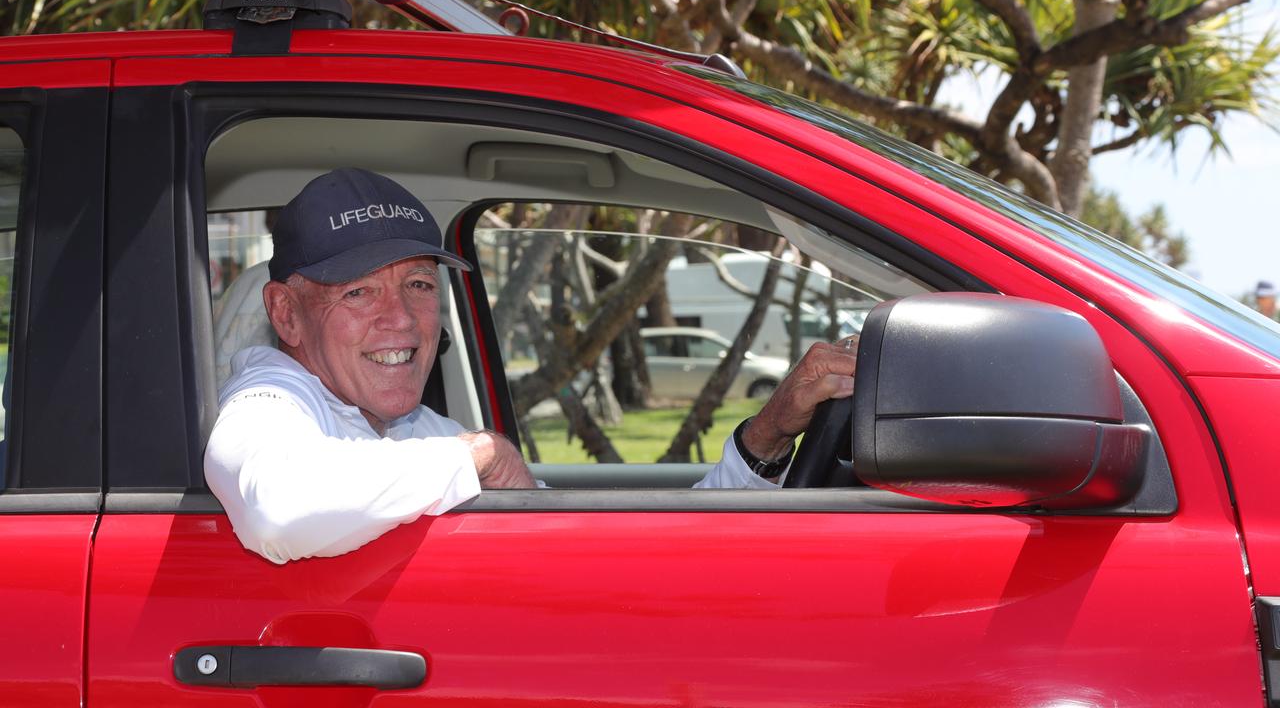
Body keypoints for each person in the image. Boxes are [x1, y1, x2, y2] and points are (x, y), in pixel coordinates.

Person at [204, 168, 858, 564]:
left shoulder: (414, 431)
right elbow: (278, 513)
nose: (401, 320)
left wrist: (768, 434)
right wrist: (483, 454)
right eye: (358, 291)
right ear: (287, 315)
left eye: (420, 286)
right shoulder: (269, 397)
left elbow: (604, 557)